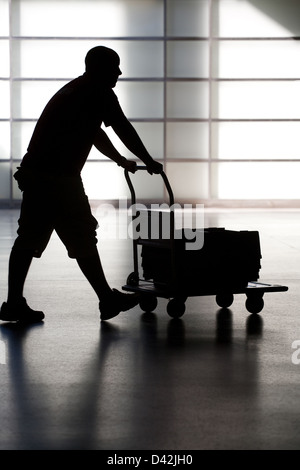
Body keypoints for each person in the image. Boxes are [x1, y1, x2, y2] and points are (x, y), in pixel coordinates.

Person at [0, 46, 163, 323]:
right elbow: (123, 127)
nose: (120, 72)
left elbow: (94, 132)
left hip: (41, 174)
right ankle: (104, 299)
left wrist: (121, 160)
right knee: (76, 235)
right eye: (115, 67)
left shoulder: (77, 89)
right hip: (57, 178)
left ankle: (17, 302)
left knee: (42, 237)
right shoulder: (98, 91)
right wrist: (149, 160)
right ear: (100, 68)